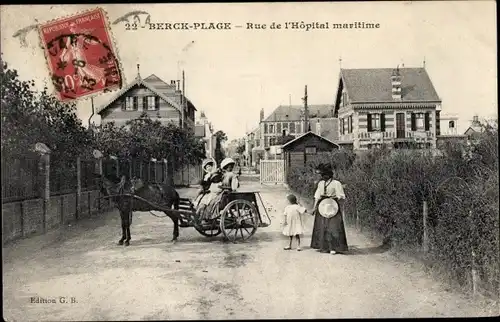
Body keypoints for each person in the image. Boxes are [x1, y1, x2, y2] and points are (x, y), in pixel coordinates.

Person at [310, 163, 349, 255]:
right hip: (322, 206)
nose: (323, 176)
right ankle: (324, 246)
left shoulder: (336, 183)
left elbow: (341, 196)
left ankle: (334, 247)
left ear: (329, 174)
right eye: (322, 175)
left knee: (334, 227)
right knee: (322, 226)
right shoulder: (320, 183)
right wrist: (314, 208)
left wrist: (336, 202)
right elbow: (317, 196)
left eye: (324, 175)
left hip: (332, 205)